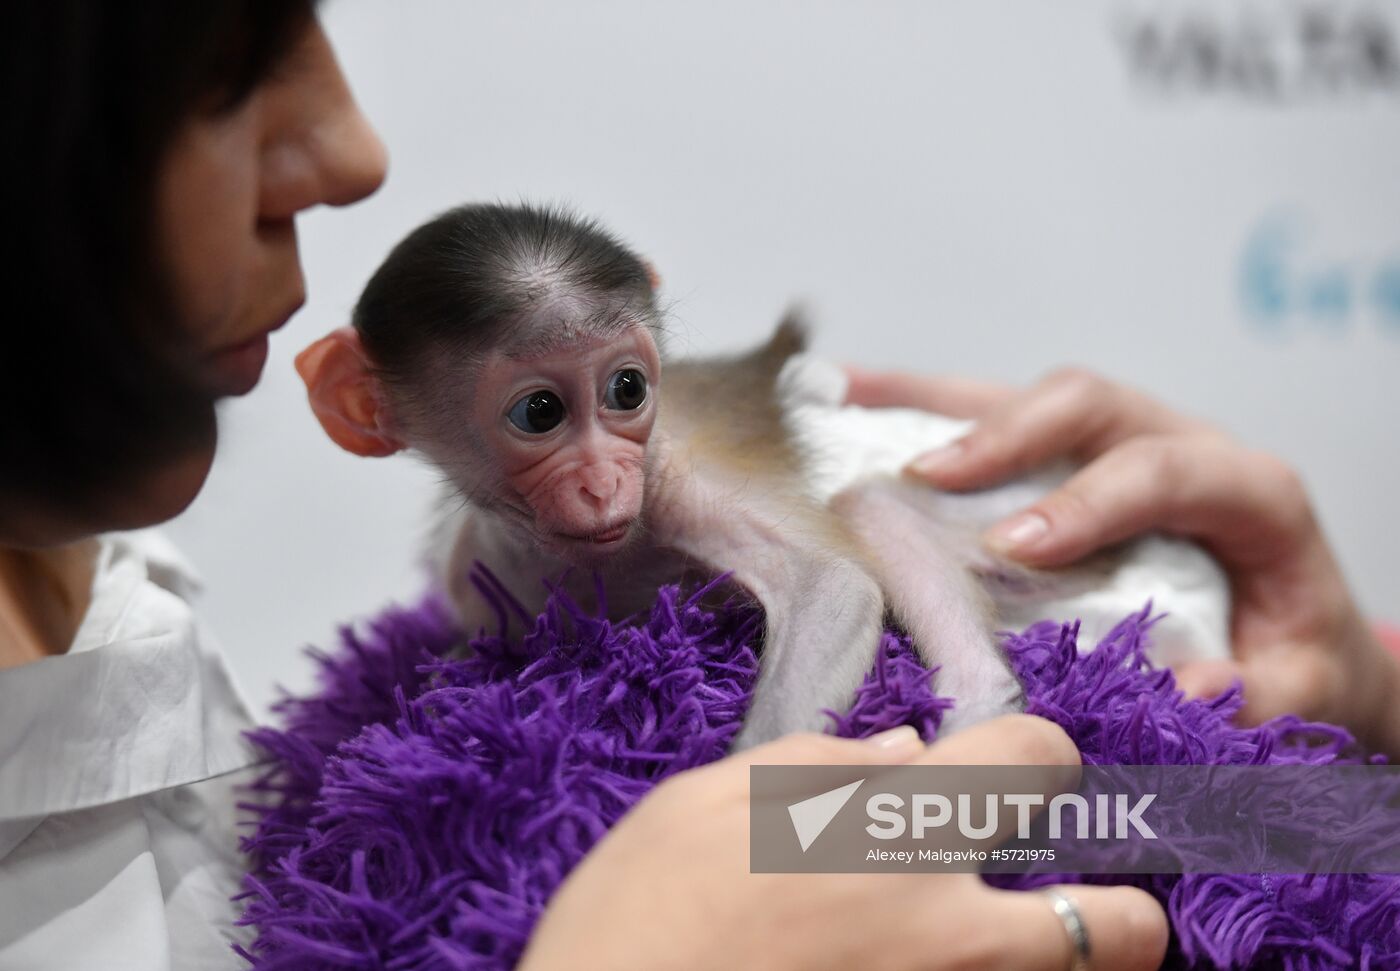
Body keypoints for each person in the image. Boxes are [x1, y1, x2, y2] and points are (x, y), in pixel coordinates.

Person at [0, 4, 1383, 969]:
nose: (353, 150)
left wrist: (1364, 720)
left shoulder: (140, 620)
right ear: (367, 408)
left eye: (625, 395)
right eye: (215, 60)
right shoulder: (423, 686)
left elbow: (1234, 821)